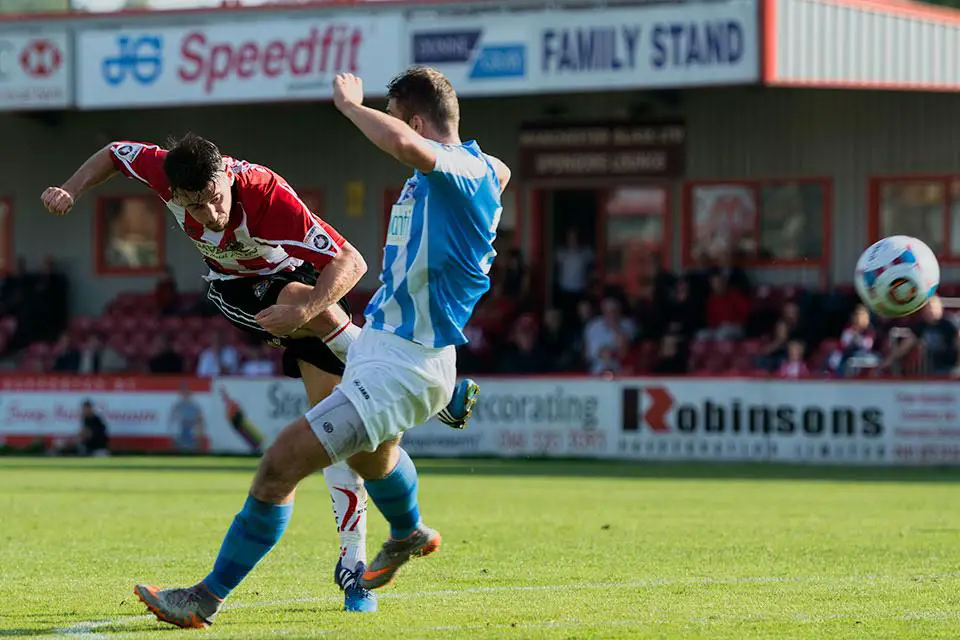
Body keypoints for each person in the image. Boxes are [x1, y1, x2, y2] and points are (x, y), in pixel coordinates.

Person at [128, 66, 509, 629]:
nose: (392, 131)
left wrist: (352, 107)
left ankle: (204, 598)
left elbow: (411, 145)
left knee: (278, 466)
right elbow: (500, 169)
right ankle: (407, 532)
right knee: (372, 462)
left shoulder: (461, 170)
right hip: (388, 350)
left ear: (420, 122)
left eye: (397, 118)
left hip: (404, 364)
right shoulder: (481, 170)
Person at [41, 130, 478, 614]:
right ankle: (431, 393)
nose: (210, 215)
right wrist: (71, 189)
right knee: (303, 311)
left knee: (354, 440)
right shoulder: (162, 170)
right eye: (195, 206)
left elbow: (351, 261)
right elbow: (113, 152)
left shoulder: (265, 194)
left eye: (214, 200)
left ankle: (355, 568)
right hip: (237, 290)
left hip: (305, 287)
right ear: (175, 192)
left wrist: (308, 305)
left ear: (225, 175)